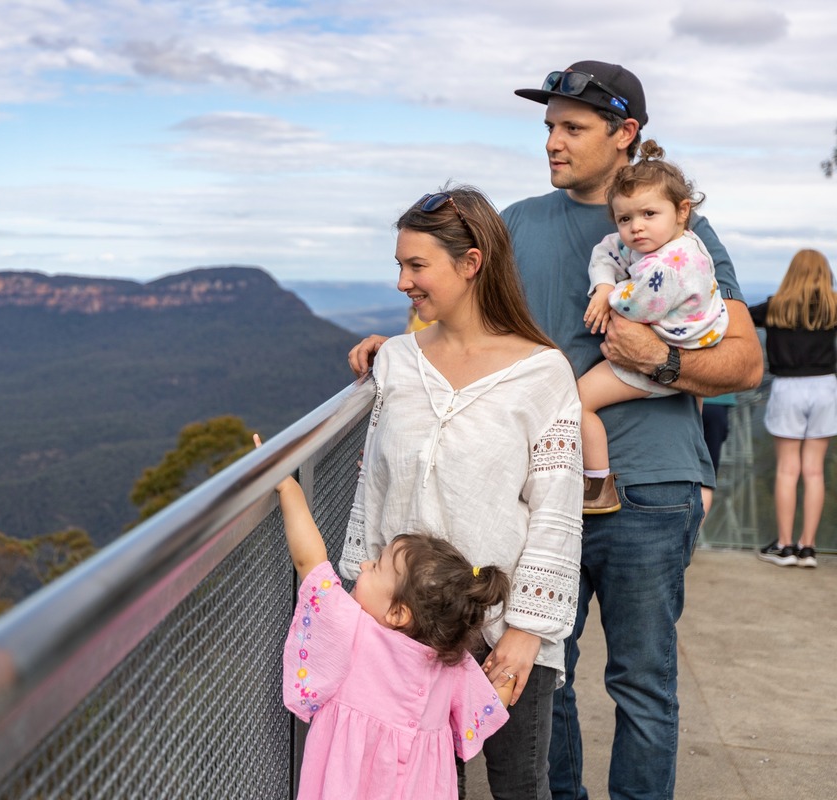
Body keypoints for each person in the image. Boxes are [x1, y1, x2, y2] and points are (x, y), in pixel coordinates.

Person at [349, 61, 764, 800]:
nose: (553, 142)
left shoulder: (678, 232)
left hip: (648, 488)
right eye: (548, 127)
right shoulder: (518, 222)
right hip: (540, 500)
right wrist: (400, 347)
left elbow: (743, 361)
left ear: (624, 133)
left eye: (572, 127)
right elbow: (463, 313)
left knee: (642, 684)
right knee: (546, 677)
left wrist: (660, 360)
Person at [341, 186, 584, 800]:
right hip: (406, 631)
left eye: (416, 265)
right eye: (399, 265)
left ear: (471, 263)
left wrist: (529, 631)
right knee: (416, 786)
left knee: (518, 789)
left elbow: (556, 512)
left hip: (501, 630)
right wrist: (359, 602)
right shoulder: (395, 362)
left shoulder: (542, 374)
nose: (402, 282)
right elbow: (376, 488)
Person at [258, 434, 516, 800]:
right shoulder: (450, 659)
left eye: (375, 566)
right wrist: (505, 679)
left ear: (398, 613)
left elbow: (309, 561)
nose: (363, 564)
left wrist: (287, 487)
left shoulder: (354, 629)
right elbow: (488, 704)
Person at [578, 140, 727, 513]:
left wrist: (608, 296)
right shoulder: (666, 241)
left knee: (579, 400)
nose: (636, 228)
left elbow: (633, 310)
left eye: (648, 214)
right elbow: (605, 252)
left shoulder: (670, 265)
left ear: (682, 211)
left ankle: (597, 484)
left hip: (663, 357)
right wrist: (605, 282)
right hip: (688, 340)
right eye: (625, 218)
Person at [749, 249, 837, 568]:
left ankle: (784, 546)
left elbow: (736, 316)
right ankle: (808, 547)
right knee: (814, 471)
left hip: (787, 388)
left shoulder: (775, 306)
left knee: (788, 469)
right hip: (826, 387)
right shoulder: (833, 307)